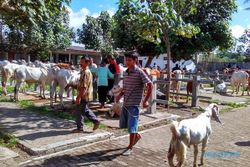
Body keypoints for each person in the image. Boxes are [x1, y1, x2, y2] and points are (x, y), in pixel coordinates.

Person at [116, 51, 153, 156]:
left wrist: (145, 100)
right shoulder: (126, 72)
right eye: (126, 59)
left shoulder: (139, 72)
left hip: (135, 104)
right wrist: (120, 95)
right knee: (127, 125)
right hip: (126, 103)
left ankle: (130, 148)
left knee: (132, 126)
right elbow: (126, 87)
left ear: (135, 60)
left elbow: (150, 85)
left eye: (129, 60)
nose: (127, 62)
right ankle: (136, 136)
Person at [72, 56, 100, 133]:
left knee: (79, 111)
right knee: (84, 110)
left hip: (84, 95)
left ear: (87, 63)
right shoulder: (85, 71)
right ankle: (96, 121)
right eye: (80, 61)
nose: (80, 63)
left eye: (82, 62)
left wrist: (79, 97)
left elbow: (84, 87)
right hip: (86, 95)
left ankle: (80, 128)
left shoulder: (85, 72)